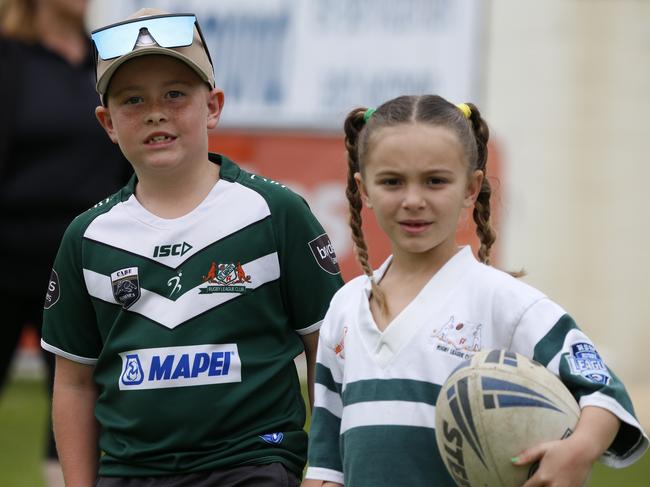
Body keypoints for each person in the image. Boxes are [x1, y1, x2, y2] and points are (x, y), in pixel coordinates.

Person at [40, 7, 343, 487]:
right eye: (132, 100)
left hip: (253, 462)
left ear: (214, 106)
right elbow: (74, 383)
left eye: (176, 94)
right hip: (131, 471)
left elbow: (328, 351)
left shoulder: (276, 212)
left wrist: (329, 467)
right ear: (108, 123)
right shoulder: (87, 237)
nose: (156, 111)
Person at [303, 95, 648, 486]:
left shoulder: (504, 302)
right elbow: (326, 465)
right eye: (392, 182)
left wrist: (577, 449)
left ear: (472, 187)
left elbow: (604, 392)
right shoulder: (345, 307)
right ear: (363, 189)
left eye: (435, 181)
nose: (413, 200)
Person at [0, 0, 130, 484]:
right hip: (7, 254)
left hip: (81, 265)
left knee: (78, 405)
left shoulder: (106, 60)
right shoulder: (10, 56)